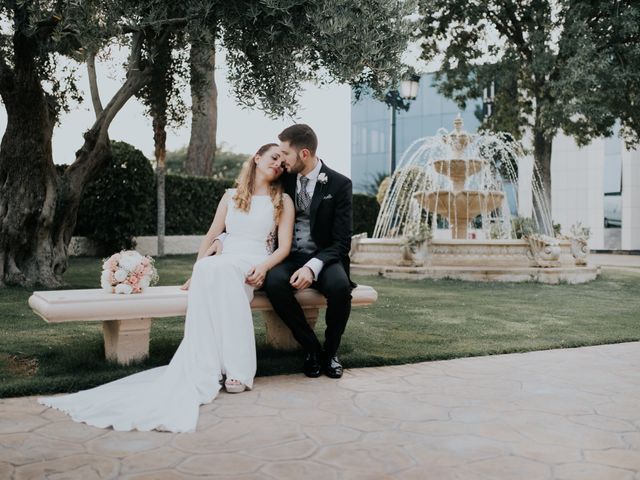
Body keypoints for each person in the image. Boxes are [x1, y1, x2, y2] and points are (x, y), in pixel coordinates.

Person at [38, 143, 295, 433]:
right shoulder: (230, 196)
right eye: (275, 157)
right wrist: (196, 270)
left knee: (219, 268)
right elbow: (212, 234)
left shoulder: (282, 200)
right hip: (225, 258)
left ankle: (239, 370)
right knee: (209, 267)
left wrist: (262, 268)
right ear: (257, 157)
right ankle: (210, 363)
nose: (279, 164)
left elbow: (284, 247)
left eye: (283, 164)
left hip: (253, 260)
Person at [264, 124, 354, 379]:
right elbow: (252, 203)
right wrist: (223, 237)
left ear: (304, 154)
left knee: (340, 287)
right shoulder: (284, 178)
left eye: (285, 154)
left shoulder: (339, 184)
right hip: (288, 254)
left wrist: (312, 266)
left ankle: (332, 351)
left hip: (324, 257)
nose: (281, 160)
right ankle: (312, 348)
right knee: (274, 283)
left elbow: (341, 242)